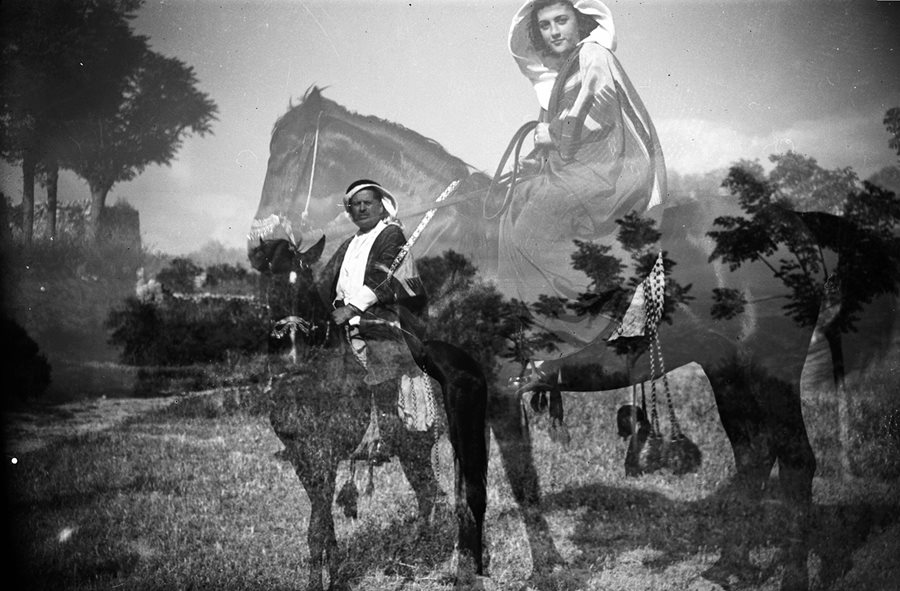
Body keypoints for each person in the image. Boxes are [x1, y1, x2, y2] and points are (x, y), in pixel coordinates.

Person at [500, 0, 668, 348]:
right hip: (584, 167)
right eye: (545, 25)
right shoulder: (563, 73)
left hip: (611, 170)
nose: (554, 31)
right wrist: (530, 164)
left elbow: (600, 113)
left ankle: (581, 322)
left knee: (530, 226)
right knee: (518, 199)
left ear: (580, 22)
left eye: (561, 20)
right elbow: (553, 136)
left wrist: (554, 134)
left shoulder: (592, 53)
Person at [321, 179, 434, 460]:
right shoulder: (351, 242)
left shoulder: (391, 235)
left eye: (367, 203)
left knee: (382, 367)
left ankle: (386, 434)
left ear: (381, 206)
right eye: (355, 205)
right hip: (348, 321)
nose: (361, 209)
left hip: (385, 316)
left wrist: (352, 308)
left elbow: (382, 278)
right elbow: (327, 279)